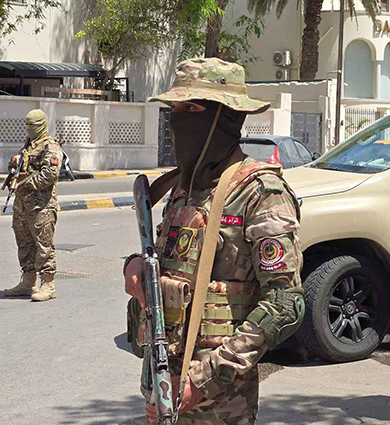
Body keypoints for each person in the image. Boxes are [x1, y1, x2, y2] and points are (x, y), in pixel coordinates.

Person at [123, 57, 304, 425]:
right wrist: (135, 266)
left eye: (191, 109)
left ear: (225, 118)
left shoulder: (260, 192)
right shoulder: (182, 188)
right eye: (174, 109)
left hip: (220, 401)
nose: (178, 120)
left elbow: (285, 304)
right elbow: (171, 264)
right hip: (162, 383)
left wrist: (202, 381)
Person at [3, 109, 64, 302]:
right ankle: (28, 281)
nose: (29, 128)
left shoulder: (50, 147)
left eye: (33, 125)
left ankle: (48, 285)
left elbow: (49, 175)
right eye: (27, 125)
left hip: (41, 207)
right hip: (22, 205)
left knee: (44, 246)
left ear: (42, 125)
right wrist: (14, 164)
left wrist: (24, 184)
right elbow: (21, 168)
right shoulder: (29, 146)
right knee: (24, 244)